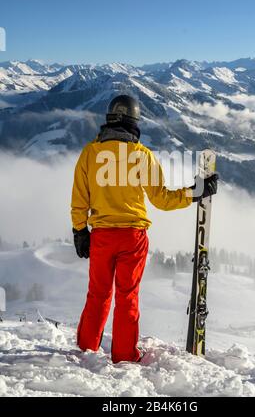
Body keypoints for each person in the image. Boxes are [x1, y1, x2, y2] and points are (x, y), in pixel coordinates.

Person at [71, 94, 218, 363]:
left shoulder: (89, 154)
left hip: (102, 236)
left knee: (98, 294)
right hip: (133, 238)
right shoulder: (142, 156)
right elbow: (162, 199)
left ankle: (86, 348)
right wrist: (196, 191)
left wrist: (80, 231)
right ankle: (125, 355)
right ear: (133, 121)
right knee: (127, 297)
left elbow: (79, 199)